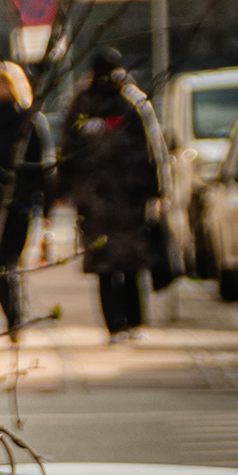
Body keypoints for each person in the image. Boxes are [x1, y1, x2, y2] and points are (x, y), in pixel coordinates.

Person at [55, 45, 174, 337]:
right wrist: (159, 191)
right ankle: (132, 322)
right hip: (126, 197)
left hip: (100, 198)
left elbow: (67, 152)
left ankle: (117, 325)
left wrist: (63, 190)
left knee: (107, 265)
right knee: (126, 264)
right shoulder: (131, 102)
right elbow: (154, 151)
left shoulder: (84, 105)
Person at [0, 62, 54, 335]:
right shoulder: (30, 122)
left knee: (1, 259)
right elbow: (44, 167)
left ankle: (13, 315)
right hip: (23, 202)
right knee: (14, 257)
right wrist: (46, 206)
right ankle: (17, 314)